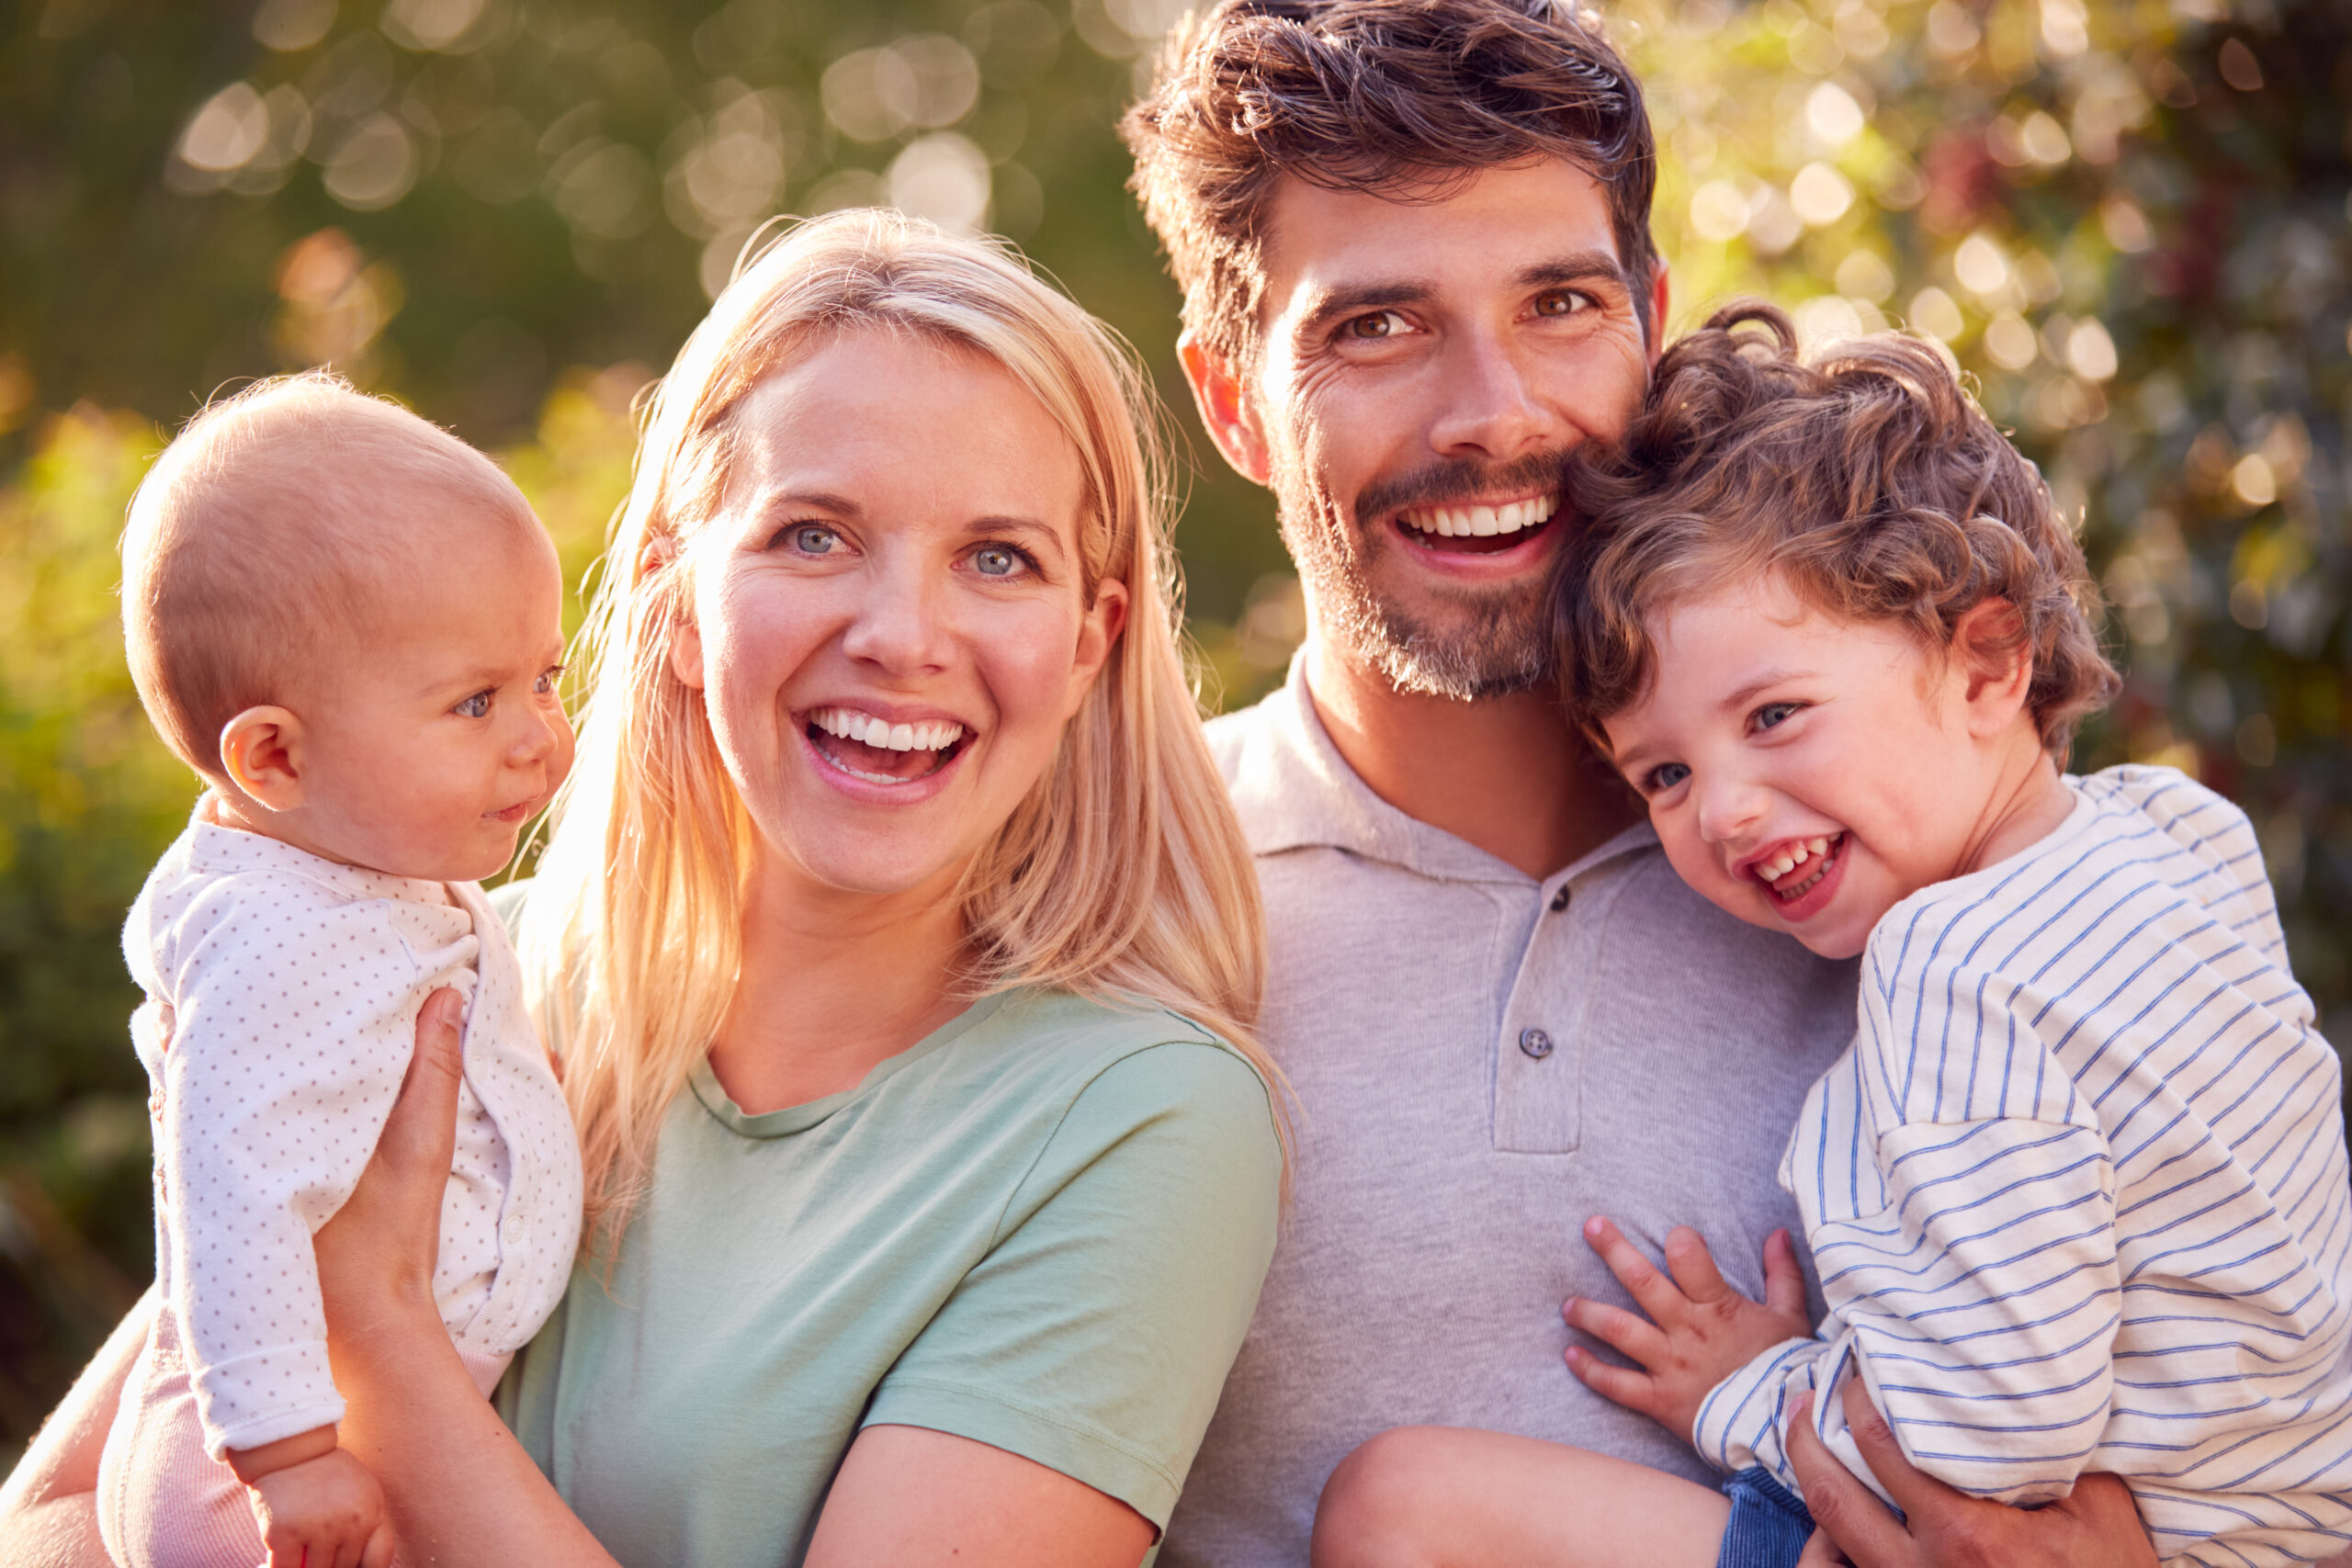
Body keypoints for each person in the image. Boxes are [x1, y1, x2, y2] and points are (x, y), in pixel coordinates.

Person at [0, 209, 1285, 1568]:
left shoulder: (1139, 1121)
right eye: (814, 536)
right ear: (673, 603)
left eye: (998, 558)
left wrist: (379, 1336)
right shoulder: (451, 963)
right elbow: (56, 1518)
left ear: (1090, 644)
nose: (904, 636)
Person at [1122, 2, 2173, 1563]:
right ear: (1232, 405)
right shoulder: (1113, 903)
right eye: (1376, 327)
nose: (1496, 412)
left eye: (1558, 303)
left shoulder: (1925, 857)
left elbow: (2267, 1365)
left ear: (1653, 317)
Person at [1311, 307, 2352, 1568]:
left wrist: (1745, 1387)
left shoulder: (1952, 972)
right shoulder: (2180, 834)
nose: (1727, 810)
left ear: (1984, 663)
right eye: (1664, 776)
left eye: (1777, 714)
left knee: (1402, 1509)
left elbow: (1980, 1454)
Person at [103, 375, 581, 1568]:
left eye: (545, 678)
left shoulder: (352, 863)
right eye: (474, 702)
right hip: (281, 1478)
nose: (539, 736)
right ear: (274, 754)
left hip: (358, 1420)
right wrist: (288, 1454)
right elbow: (235, 1196)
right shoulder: (277, 942)